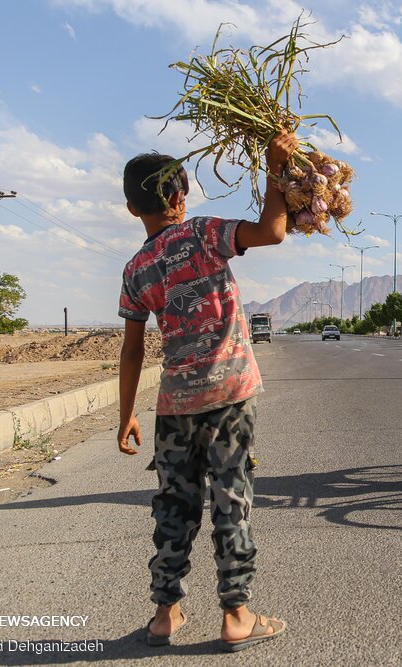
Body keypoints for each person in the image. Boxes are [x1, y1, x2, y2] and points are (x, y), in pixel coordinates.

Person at [116, 130, 298, 652]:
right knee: (231, 499)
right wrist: (275, 167)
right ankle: (237, 616)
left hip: (173, 406)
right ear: (182, 194)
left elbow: (132, 351)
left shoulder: (135, 270)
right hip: (228, 396)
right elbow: (273, 230)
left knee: (174, 505)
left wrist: (126, 414)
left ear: (133, 208)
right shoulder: (202, 234)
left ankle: (164, 615)